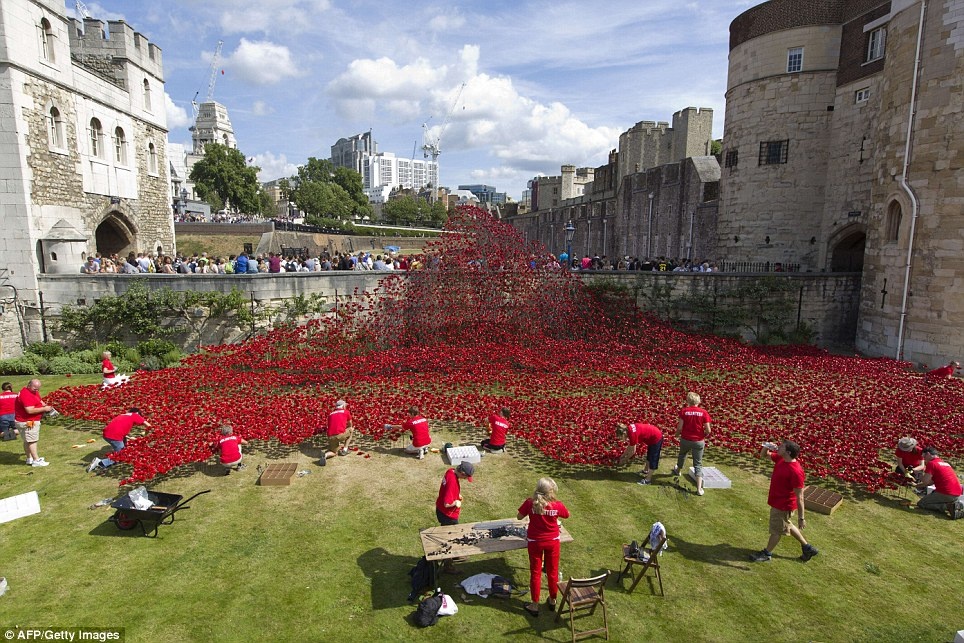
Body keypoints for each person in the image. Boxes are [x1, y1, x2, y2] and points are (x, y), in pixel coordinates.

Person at [750, 440, 819, 563]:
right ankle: (807, 548)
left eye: (782, 446)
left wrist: (801, 518)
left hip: (783, 505)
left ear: (788, 452)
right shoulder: (781, 459)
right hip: (778, 501)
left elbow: (800, 496)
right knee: (787, 525)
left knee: (776, 530)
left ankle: (767, 554)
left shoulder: (796, 471)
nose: (779, 446)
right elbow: (763, 455)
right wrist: (766, 447)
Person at [518, 477, 570, 616]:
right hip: (552, 541)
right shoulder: (557, 505)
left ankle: (534, 606)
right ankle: (553, 601)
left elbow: (518, 517)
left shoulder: (530, 503)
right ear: (550, 492)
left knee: (535, 572)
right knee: (552, 572)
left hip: (535, 542)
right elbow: (567, 515)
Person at [435, 461, 475, 573]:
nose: (465, 479)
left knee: (451, 535)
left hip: (442, 512)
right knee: (450, 538)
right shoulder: (452, 482)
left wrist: (457, 495)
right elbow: (447, 504)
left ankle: (454, 556)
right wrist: (455, 502)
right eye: (465, 477)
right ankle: (448, 566)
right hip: (448, 515)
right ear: (462, 472)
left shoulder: (450, 471)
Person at [674, 391, 712, 495]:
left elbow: (680, 427)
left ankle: (678, 470)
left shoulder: (684, 411)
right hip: (698, 441)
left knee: (682, 455)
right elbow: (708, 430)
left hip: (685, 439)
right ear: (698, 401)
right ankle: (699, 489)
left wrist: (676, 435)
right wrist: (702, 436)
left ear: (688, 401)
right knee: (698, 463)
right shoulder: (704, 412)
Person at [14, 379, 54, 467]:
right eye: (35, 388)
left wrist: (45, 405)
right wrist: (44, 409)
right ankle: (36, 460)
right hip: (28, 421)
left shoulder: (32, 391)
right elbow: (29, 410)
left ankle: (29, 458)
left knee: (27, 440)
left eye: (38, 389)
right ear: (29, 385)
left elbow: (39, 400)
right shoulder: (26, 394)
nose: (36, 390)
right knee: (32, 440)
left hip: (26, 420)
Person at [914, 446, 963, 513]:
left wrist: (919, 475)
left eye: (924, 456)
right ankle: (953, 503)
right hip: (957, 493)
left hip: (946, 493)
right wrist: (916, 485)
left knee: (921, 503)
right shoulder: (945, 463)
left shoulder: (932, 463)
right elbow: (930, 482)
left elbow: (925, 481)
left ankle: (948, 507)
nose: (924, 459)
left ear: (928, 454)